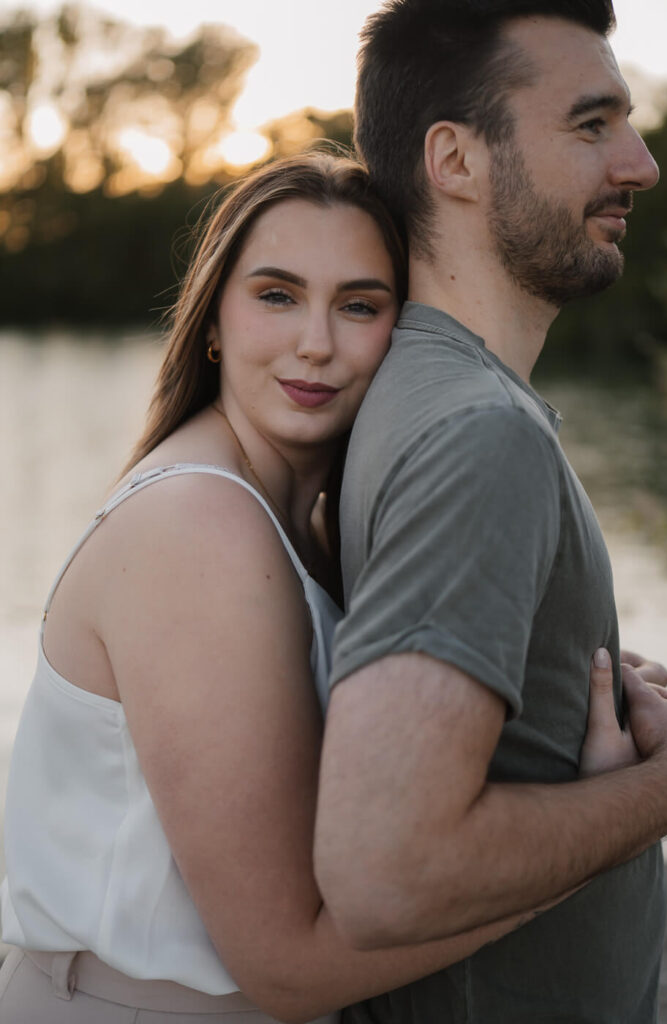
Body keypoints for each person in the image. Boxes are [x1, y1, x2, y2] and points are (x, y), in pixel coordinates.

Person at [0, 152, 634, 1023]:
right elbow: (288, 966)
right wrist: (613, 821)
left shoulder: (297, 523)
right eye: (276, 295)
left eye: (359, 305)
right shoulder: (199, 527)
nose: (315, 343)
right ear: (213, 320)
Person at [312, 4, 667, 1023]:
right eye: (592, 124)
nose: (641, 164)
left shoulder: (429, 395)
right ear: (456, 160)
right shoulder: (481, 434)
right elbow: (386, 873)